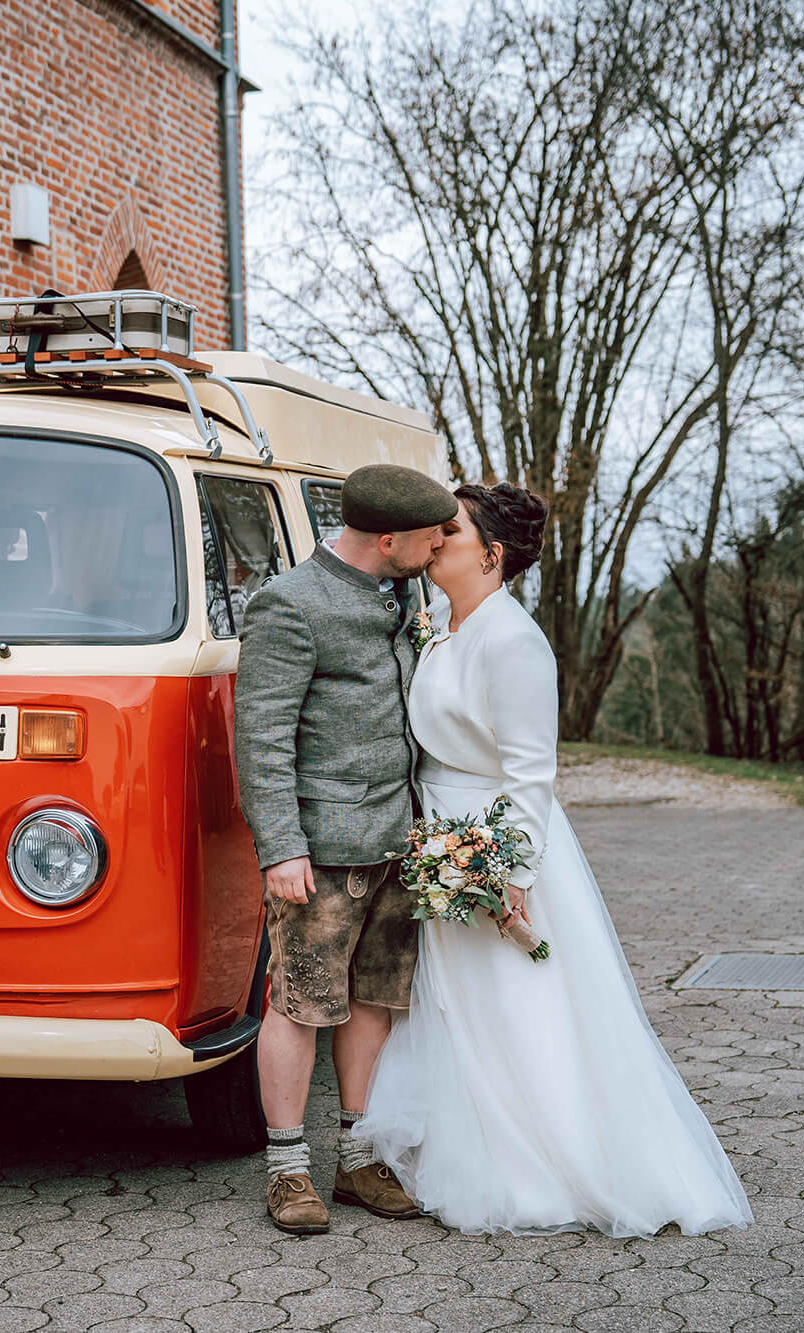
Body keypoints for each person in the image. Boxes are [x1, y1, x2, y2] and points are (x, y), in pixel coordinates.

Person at [353, 481, 753, 1236]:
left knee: (518, 1005)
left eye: (452, 531)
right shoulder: (440, 621)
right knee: (458, 1010)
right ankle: (468, 1145)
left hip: (493, 842)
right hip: (441, 838)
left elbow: (531, 773)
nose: (435, 542)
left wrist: (510, 878)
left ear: (493, 556)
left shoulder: (513, 642)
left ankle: (545, 1164)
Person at [234, 462, 457, 1234]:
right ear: (388, 537)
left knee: (373, 1002)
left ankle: (357, 1157)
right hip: (317, 854)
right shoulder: (289, 605)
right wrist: (280, 847)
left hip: (398, 842)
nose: (440, 549)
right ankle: (287, 1170)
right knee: (298, 1005)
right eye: (431, 538)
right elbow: (261, 736)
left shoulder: (408, 594)